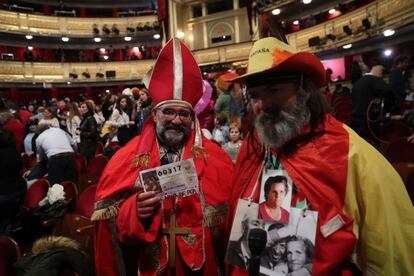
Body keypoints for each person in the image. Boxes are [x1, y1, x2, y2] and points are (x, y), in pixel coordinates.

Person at [226, 37, 414, 275]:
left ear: (304, 91)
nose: (263, 104)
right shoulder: (252, 146)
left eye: (274, 90)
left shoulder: (348, 152)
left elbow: (390, 249)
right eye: (254, 96)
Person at [92, 38, 234, 276]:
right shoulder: (126, 158)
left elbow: (232, 229)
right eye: (169, 112)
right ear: (155, 115)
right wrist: (134, 211)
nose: (177, 120)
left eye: (183, 114)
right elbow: (106, 230)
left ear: (193, 118)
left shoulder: (216, 158)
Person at [349, 64, 394, 143]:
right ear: (380, 71)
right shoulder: (375, 80)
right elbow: (390, 92)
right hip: (368, 123)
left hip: (354, 121)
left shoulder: (357, 83)